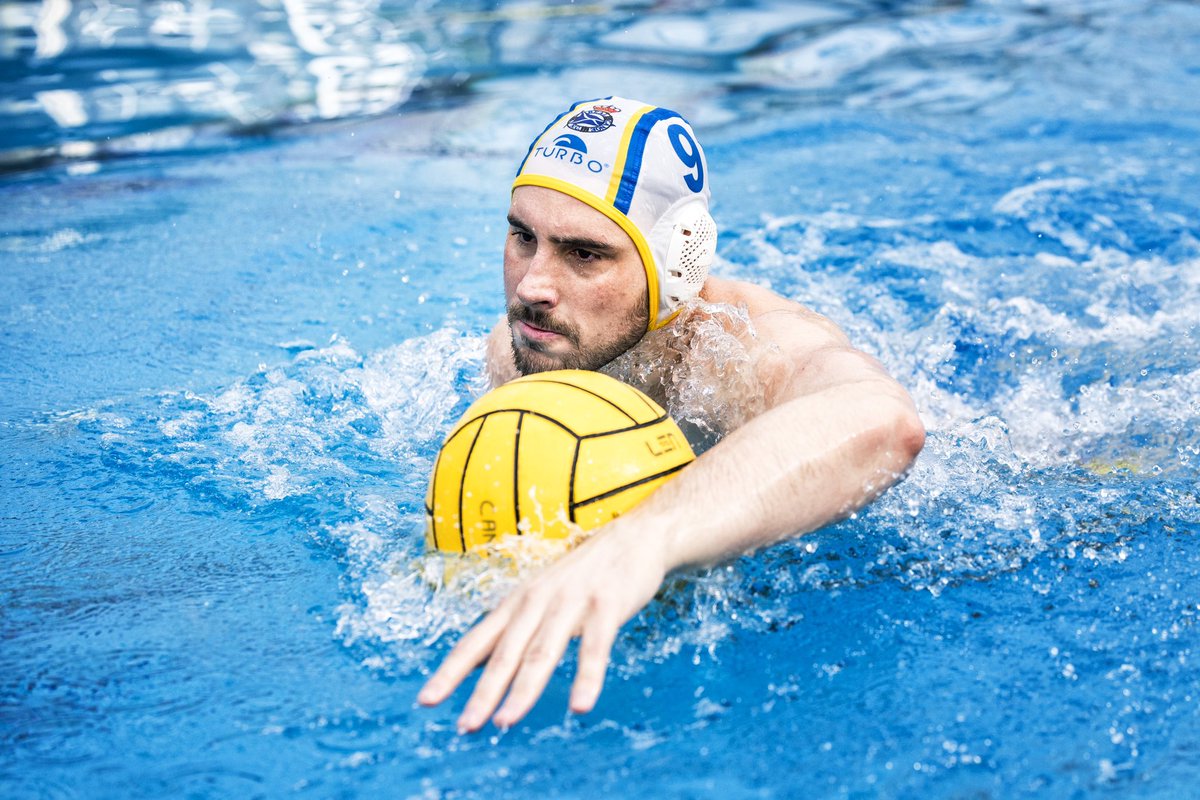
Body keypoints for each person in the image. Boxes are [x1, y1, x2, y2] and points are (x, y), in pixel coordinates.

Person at [417, 97, 925, 733]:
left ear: (673, 265)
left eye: (584, 253)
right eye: (524, 237)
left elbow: (885, 420)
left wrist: (644, 538)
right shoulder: (527, 346)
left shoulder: (743, 350)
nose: (532, 287)